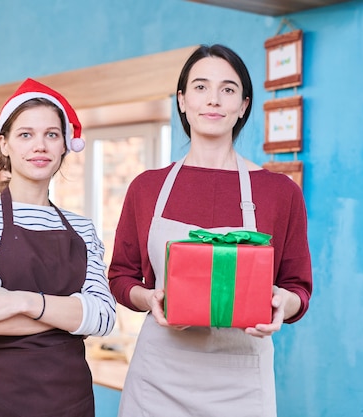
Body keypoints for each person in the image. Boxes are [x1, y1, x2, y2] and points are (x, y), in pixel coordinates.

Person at [108, 44, 313, 416]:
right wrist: (148, 299)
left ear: (244, 105)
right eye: (200, 87)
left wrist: (283, 302)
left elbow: (299, 286)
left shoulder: (281, 193)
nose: (213, 100)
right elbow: (121, 276)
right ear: (183, 101)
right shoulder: (147, 187)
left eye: (228, 89)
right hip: (158, 377)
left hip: (242, 381)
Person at [0, 78, 116, 417]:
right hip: (0, 400)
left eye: (51, 135)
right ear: (4, 144)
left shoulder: (82, 227)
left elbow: (104, 318)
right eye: (26, 134)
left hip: (71, 401)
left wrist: (19, 300)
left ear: (65, 145)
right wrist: (71, 316)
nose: (40, 146)